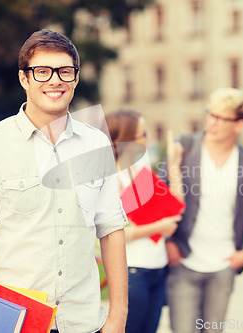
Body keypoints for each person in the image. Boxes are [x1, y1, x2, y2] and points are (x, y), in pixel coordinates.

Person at [0, 29, 128, 333]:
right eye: (42, 72)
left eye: (64, 71)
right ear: (24, 79)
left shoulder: (97, 144)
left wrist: (118, 318)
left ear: (76, 78)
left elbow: (111, 230)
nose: (55, 80)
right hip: (14, 323)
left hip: (83, 322)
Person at [161, 88, 243, 333]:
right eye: (211, 115)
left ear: (239, 125)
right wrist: (169, 242)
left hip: (224, 264)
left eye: (221, 118)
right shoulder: (184, 147)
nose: (212, 123)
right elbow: (160, 196)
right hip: (184, 260)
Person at [105, 109, 182, 333]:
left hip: (157, 267)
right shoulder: (111, 178)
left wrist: (174, 165)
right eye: (143, 134)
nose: (147, 139)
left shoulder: (140, 167)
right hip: (133, 270)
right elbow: (116, 234)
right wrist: (159, 227)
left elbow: (174, 206)